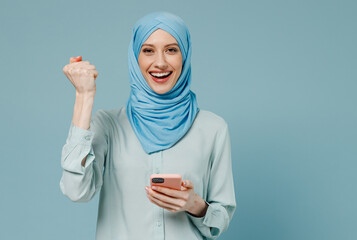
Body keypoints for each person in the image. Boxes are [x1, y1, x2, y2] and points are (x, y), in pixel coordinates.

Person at [60, 12, 236, 240]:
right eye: (148, 50)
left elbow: (221, 218)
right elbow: (76, 191)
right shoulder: (109, 125)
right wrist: (84, 97)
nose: (160, 62)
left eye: (171, 50)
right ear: (136, 57)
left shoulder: (213, 129)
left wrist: (195, 205)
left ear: (185, 55)